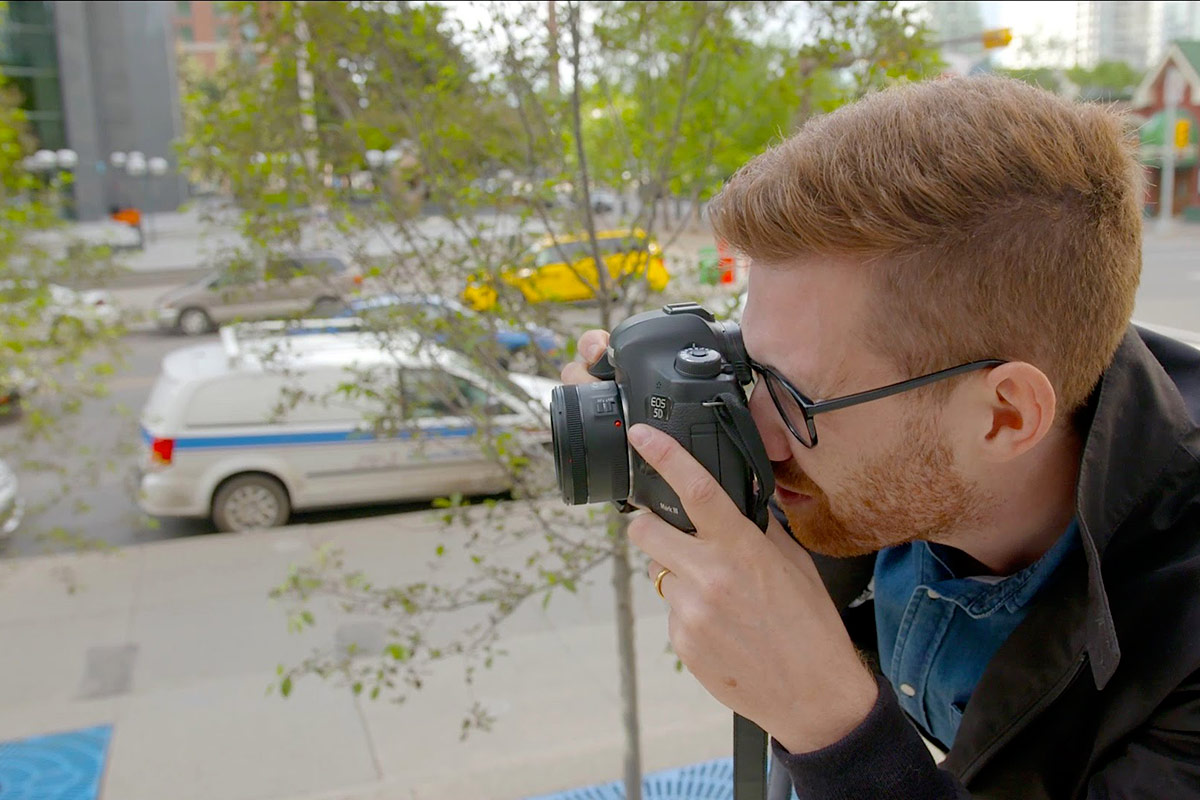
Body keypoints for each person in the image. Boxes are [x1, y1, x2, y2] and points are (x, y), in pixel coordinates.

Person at [562, 76, 1200, 798]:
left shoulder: (1183, 648)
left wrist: (835, 731)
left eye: (795, 396)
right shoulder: (911, 439)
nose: (759, 431)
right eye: (745, 361)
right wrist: (653, 433)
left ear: (1005, 416)